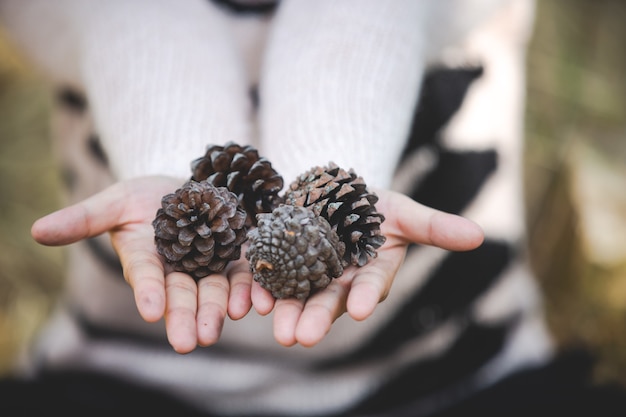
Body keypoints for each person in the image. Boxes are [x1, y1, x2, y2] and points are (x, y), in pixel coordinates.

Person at [2, 0, 625, 415]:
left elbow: (368, 13)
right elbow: (124, 18)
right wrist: (187, 178)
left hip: (463, 380)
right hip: (121, 383)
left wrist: (325, 190)